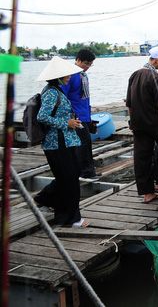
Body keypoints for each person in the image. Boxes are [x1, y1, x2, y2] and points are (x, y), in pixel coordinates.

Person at [33, 57, 89, 228]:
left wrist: (71, 121)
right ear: (57, 77)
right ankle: (69, 219)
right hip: (57, 142)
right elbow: (42, 116)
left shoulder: (57, 90)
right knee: (69, 180)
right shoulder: (51, 92)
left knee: (68, 177)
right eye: (66, 75)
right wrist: (67, 123)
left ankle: (44, 200)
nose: (69, 77)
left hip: (65, 140)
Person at [126, 46, 158, 203]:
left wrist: (131, 121)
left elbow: (129, 102)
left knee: (142, 158)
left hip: (139, 123)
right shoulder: (155, 77)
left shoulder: (135, 75)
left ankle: (148, 192)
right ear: (157, 60)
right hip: (155, 123)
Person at [60, 49, 98, 180]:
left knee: (85, 142)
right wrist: (70, 117)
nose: (87, 67)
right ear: (78, 60)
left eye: (90, 64)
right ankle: (85, 172)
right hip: (75, 115)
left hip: (84, 114)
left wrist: (89, 118)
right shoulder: (69, 76)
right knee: (83, 142)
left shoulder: (83, 75)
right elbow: (63, 96)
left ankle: (85, 170)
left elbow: (85, 98)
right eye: (86, 63)